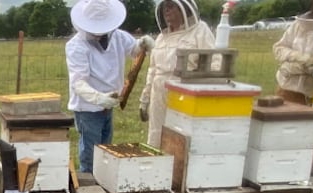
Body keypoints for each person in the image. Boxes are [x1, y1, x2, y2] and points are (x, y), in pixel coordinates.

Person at [66, 0, 151, 173]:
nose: (98, 34)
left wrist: (142, 44)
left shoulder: (118, 36)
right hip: (88, 109)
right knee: (90, 151)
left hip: (109, 105)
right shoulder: (76, 46)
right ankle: (88, 185)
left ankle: (103, 178)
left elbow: (134, 50)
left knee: (105, 148)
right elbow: (78, 83)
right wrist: (98, 98)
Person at [138, 0, 215, 148]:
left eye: (171, 6)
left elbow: (214, 61)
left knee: (180, 137)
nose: (166, 11)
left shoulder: (200, 30)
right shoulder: (161, 37)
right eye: (164, 7)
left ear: (183, 9)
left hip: (184, 91)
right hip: (159, 92)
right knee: (156, 134)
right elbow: (153, 70)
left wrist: (205, 95)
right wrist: (144, 99)